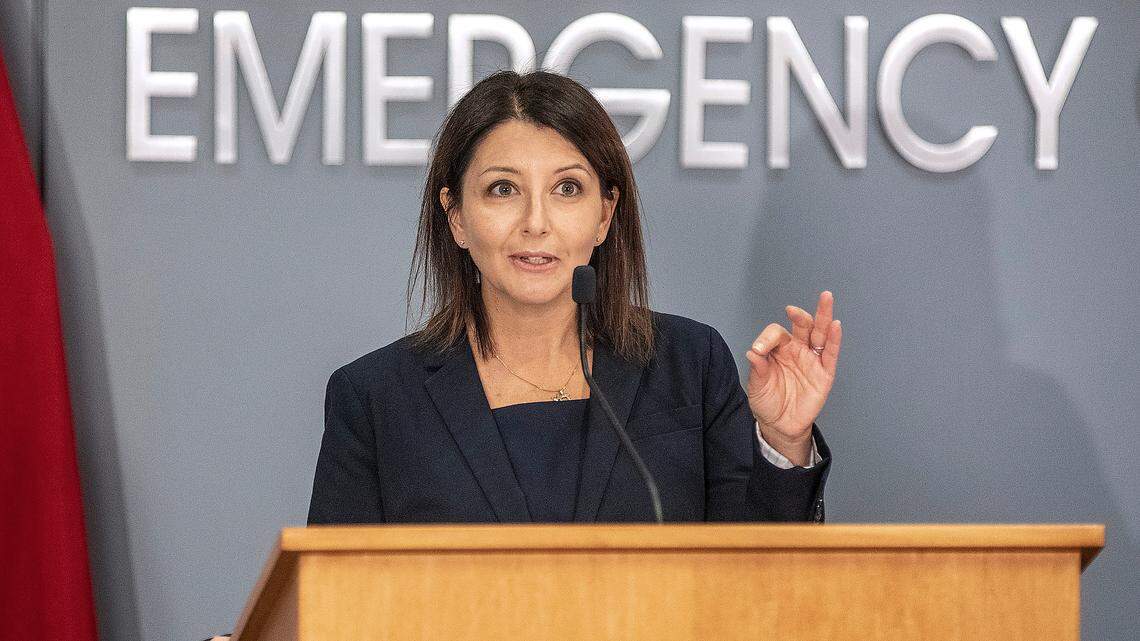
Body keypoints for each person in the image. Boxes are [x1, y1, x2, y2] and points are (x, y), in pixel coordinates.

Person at [306, 69, 842, 526]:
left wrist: (782, 442)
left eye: (567, 189)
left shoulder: (689, 366)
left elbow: (757, 589)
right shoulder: (374, 399)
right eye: (503, 189)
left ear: (605, 215)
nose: (536, 224)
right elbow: (334, 607)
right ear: (456, 217)